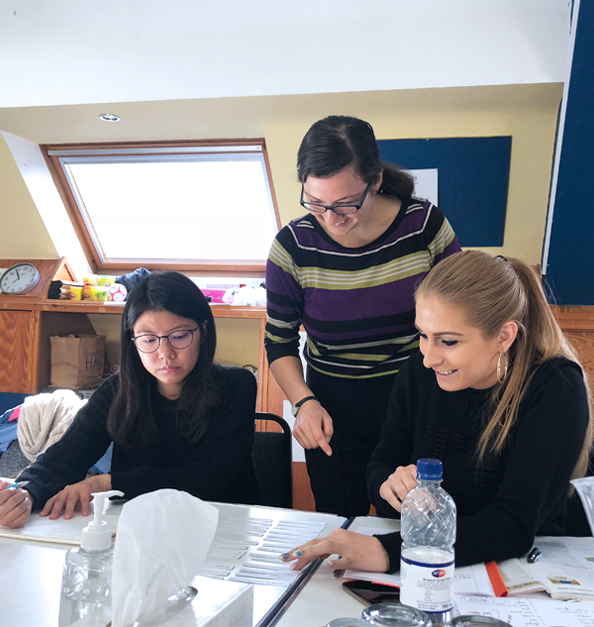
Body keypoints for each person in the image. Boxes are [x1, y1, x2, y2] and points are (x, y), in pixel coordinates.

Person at [281, 250, 592, 572]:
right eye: (423, 335)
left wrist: (388, 552)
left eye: (449, 342)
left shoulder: (555, 387)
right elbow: (380, 463)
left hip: (526, 567)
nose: (429, 358)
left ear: (504, 336)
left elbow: (512, 525)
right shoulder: (419, 372)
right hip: (430, 556)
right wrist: (389, 484)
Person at [265, 115, 461, 517]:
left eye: (345, 203)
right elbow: (279, 342)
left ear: (375, 181)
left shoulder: (424, 227)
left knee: (412, 525)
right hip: (332, 413)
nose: (331, 217)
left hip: (418, 404)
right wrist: (304, 403)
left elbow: (460, 318)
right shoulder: (292, 247)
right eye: (315, 203)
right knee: (341, 526)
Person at [0, 272, 260, 529]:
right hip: (141, 529)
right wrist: (26, 493)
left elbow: (209, 478)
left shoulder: (236, 386)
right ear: (133, 341)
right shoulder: (117, 390)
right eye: (149, 340)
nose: (165, 354)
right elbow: (65, 457)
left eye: (180, 336)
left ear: (203, 331)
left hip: (223, 527)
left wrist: (108, 482)